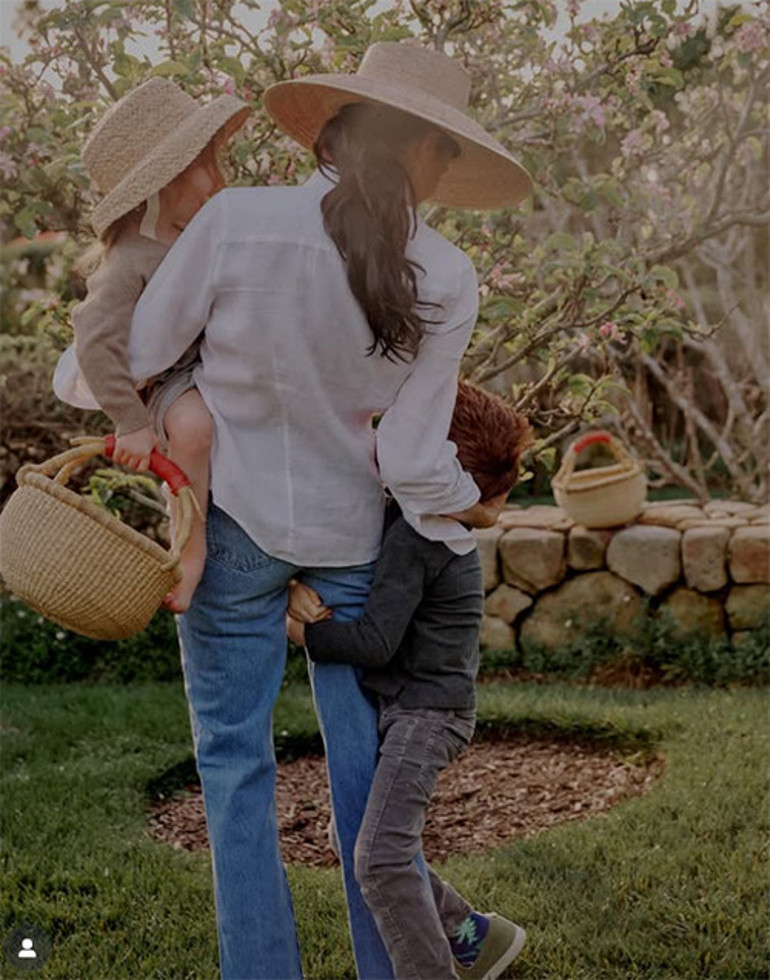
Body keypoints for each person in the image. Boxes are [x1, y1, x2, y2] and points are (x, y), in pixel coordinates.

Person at [121, 41, 532, 980]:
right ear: (429, 153)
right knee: (364, 779)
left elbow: (141, 351)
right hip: (355, 547)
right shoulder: (445, 275)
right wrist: (471, 509)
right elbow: (406, 456)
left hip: (232, 533)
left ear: (338, 133)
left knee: (233, 764)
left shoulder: (235, 221)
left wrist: (187, 406)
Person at [287, 380, 533, 979]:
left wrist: (304, 635)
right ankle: (472, 934)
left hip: (426, 716)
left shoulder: (418, 539)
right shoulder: (435, 522)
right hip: (426, 708)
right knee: (366, 841)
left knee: (377, 857)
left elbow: (375, 642)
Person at [52, 78, 250, 612]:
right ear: (158, 184)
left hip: (219, 363)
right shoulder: (131, 259)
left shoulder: (202, 234)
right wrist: (130, 421)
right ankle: (188, 552)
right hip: (170, 379)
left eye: (214, 162)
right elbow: (95, 339)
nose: (215, 181)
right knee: (192, 429)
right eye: (199, 169)